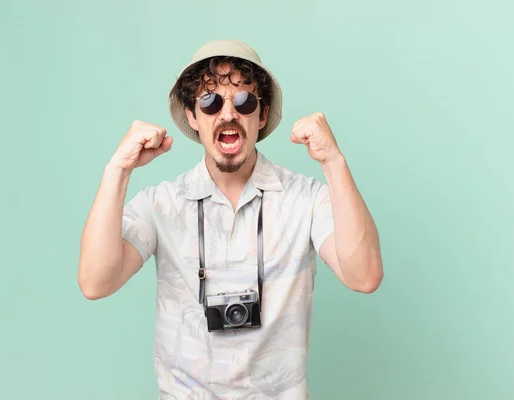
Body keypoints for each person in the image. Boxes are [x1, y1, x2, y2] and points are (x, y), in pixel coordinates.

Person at [78, 39, 383, 399]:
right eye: (209, 102)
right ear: (192, 116)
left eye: (244, 101)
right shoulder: (162, 204)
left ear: (262, 114)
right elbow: (96, 283)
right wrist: (118, 169)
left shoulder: (305, 199)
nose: (227, 114)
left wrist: (334, 161)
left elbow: (364, 276)